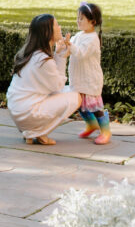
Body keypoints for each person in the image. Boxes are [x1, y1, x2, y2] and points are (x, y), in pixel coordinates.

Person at [6, 13, 80, 145]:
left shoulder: (32, 54)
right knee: (76, 97)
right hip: (27, 112)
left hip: (18, 110)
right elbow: (58, 85)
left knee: (67, 91)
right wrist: (63, 57)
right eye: (56, 25)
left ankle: (31, 130)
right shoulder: (42, 60)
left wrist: (58, 53)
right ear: (48, 32)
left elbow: (52, 86)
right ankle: (37, 132)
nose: (60, 27)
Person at [68, 1, 111, 144]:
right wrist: (64, 45)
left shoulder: (92, 39)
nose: (78, 21)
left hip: (89, 79)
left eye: (81, 18)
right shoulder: (79, 35)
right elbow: (71, 50)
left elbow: (81, 53)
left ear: (92, 22)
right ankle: (91, 125)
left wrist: (70, 45)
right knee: (80, 104)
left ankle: (105, 131)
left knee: (94, 107)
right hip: (78, 78)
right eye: (77, 18)